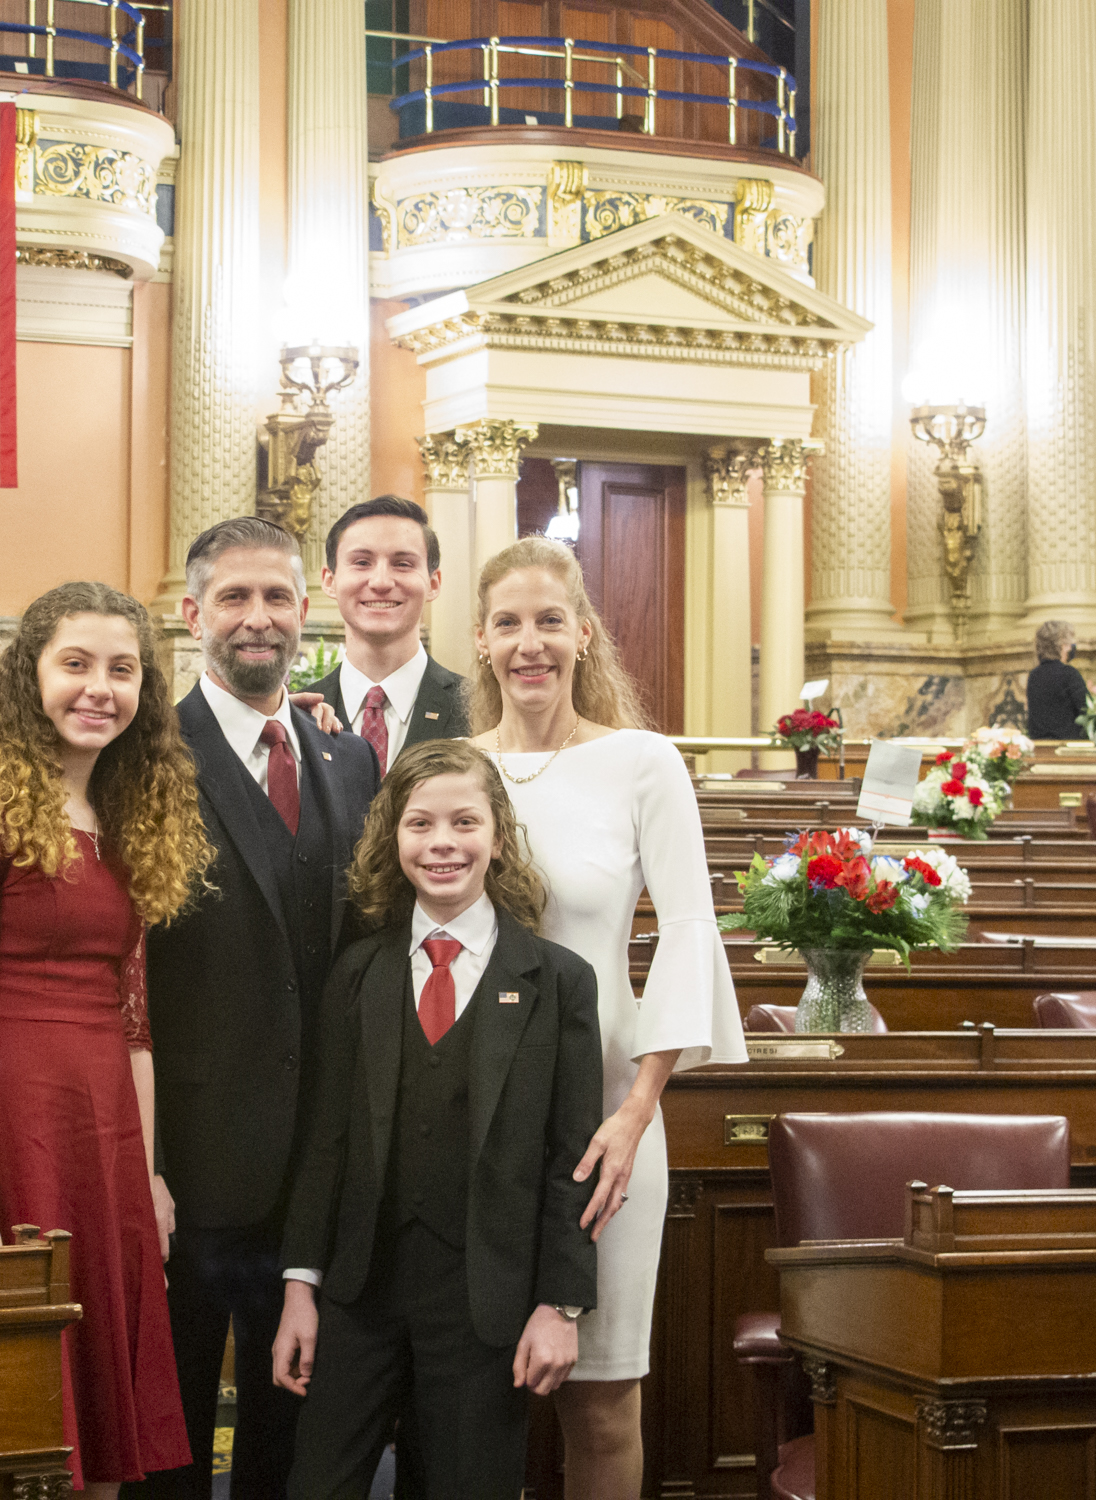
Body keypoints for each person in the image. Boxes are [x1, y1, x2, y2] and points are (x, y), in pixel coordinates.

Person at [0, 582, 212, 1494]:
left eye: (123, 670)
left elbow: (135, 1022)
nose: (99, 688)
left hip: (105, 1142)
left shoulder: (130, 815)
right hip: (6, 1140)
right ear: (28, 675)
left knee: (104, 1431)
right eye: (75, 664)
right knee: (13, 1431)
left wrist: (146, 1175)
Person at [464, 535, 743, 1497]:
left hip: (605, 1112)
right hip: (473, 1112)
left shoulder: (642, 762)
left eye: (549, 621)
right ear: (482, 641)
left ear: (583, 634)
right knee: (468, 1386)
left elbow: (689, 929)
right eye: (509, 623)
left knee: (601, 1394)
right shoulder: (451, 769)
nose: (529, 642)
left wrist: (638, 1108)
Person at [271, 739, 602, 1500]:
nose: (442, 843)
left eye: (464, 822)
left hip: (484, 1303)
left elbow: (569, 1160)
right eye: (420, 824)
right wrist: (299, 1287)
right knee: (317, 1485)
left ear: (497, 834)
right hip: (360, 1293)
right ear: (394, 837)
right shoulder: (358, 973)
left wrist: (560, 1304)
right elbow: (326, 1141)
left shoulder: (556, 983)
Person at [136, 516, 383, 1500]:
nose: (258, 618)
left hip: (316, 1168)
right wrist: (143, 1161)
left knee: (294, 1433)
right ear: (192, 612)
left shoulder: (345, 761)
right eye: (234, 598)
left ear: (304, 611)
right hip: (192, 1163)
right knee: (177, 1440)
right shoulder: (145, 757)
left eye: (277, 597)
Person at [312, 496, 471, 773]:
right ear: (330, 581)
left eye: (403, 564)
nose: (381, 582)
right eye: (362, 562)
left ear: (433, 583)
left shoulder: (478, 708)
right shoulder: (297, 716)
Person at [1025, 620, 1089, 741]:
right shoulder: (1069, 674)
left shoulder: (1033, 676)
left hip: (1041, 748)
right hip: (1067, 749)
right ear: (1062, 645)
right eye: (1070, 643)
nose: (1072, 647)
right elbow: (1085, 711)